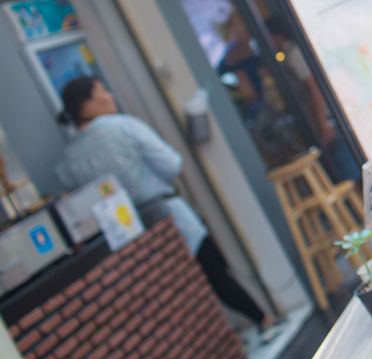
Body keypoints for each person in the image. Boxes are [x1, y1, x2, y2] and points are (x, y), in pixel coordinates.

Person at [56, 76, 282, 343]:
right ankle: (261, 320)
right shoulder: (124, 126)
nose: (110, 95)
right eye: (102, 91)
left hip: (126, 236)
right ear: (87, 105)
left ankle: (222, 340)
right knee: (214, 271)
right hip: (168, 214)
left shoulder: (68, 160)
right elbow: (172, 165)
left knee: (174, 291)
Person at [264, 14, 360, 182]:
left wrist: (323, 123)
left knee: (349, 171)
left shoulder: (293, 54)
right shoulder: (291, 53)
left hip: (329, 116)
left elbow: (313, 87)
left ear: (276, 35)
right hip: (329, 114)